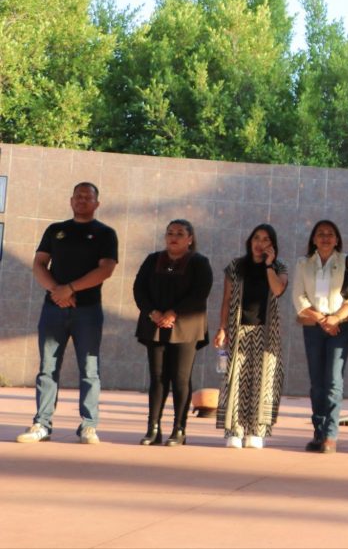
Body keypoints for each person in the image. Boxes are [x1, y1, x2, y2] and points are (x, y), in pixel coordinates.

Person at [16, 182, 118, 445]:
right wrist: (56, 291)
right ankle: (42, 424)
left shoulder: (105, 233)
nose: (82, 200)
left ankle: (88, 426)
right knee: (47, 368)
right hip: (53, 309)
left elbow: (106, 269)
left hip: (88, 311)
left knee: (89, 369)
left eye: (88, 197)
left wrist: (70, 289)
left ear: (97, 203)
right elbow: (39, 263)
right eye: (78, 196)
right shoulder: (55, 230)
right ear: (71, 201)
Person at [133, 219, 213, 446]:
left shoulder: (199, 262)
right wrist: (153, 312)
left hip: (186, 327)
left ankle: (179, 429)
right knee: (158, 378)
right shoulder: (152, 260)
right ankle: (153, 428)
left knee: (180, 378)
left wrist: (174, 313)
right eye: (170, 233)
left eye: (179, 233)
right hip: (156, 325)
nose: (173, 237)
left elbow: (200, 292)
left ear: (190, 239)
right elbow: (139, 289)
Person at [214, 224, 288, 449]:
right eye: (256, 238)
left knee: (263, 380)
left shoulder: (279, 267)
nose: (260, 243)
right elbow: (227, 299)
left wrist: (269, 265)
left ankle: (256, 431)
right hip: (238, 330)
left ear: (272, 244)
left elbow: (278, 289)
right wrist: (222, 328)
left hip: (266, 333)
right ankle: (234, 430)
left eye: (265, 239)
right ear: (250, 241)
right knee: (235, 380)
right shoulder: (236, 266)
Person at [292, 220, 348, 454]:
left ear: (337, 239)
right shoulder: (303, 263)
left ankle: (331, 435)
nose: (325, 237)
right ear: (313, 239)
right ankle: (318, 433)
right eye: (320, 234)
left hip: (340, 327)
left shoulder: (347, 261)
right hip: (313, 326)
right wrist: (322, 320)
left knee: (333, 381)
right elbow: (299, 297)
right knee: (317, 383)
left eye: (330, 234)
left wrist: (336, 319)